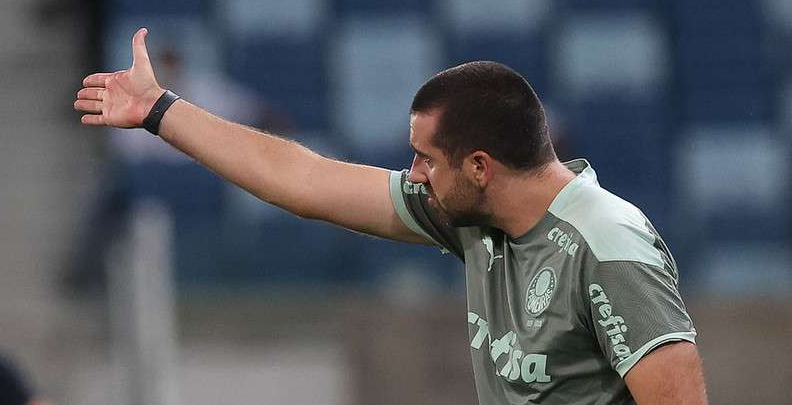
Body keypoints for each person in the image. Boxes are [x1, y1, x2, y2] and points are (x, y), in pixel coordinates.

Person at [74, 28, 707, 404]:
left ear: (481, 166)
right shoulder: (476, 215)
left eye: (426, 159)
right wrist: (160, 111)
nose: (414, 176)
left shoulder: (608, 246)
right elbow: (302, 179)